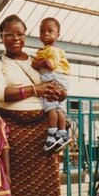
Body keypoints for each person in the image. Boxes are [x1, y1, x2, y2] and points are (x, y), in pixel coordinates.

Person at [0, 14, 67, 196]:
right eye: (9, 34)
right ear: (1, 37)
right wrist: (36, 89)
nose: (15, 38)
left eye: (19, 34)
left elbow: (56, 80)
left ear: (25, 35)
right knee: (14, 183)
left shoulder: (38, 60)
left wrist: (58, 92)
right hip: (12, 126)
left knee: (44, 184)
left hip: (42, 125)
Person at [31, 17, 72, 151]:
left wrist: (36, 63)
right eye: (42, 31)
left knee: (50, 107)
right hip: (60, 79)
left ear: (57, 35)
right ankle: (62, 133)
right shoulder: (47, 49)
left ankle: (52, 133)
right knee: (58, 108)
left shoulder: (52, 50)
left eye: (50, 31)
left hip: (53, 77)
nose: (45, 34)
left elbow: (50, 64)